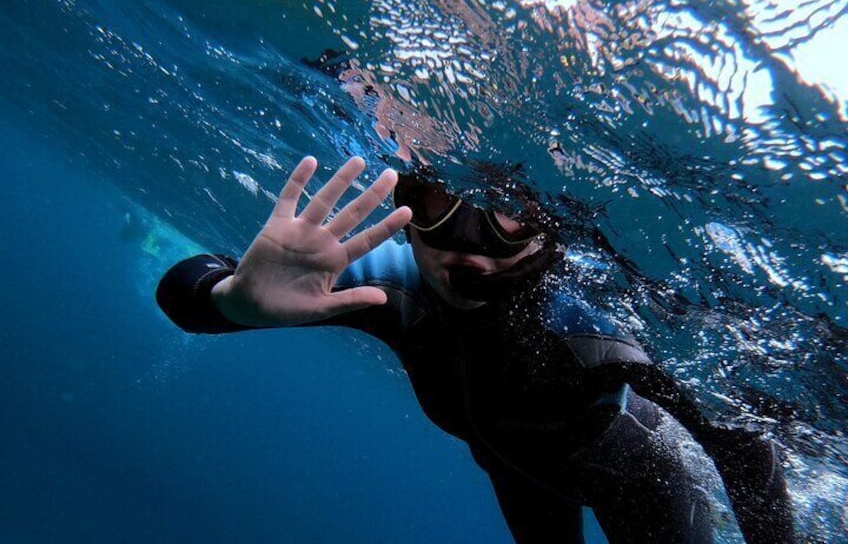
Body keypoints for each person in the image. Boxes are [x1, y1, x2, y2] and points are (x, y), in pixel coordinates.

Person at [156, 155, 796, 543]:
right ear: (406, 209)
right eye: (436, 207)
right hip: (519, 479)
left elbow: (743, 442)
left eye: (502, 214)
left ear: (547, 230)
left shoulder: (592, 325)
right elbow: (190, 291)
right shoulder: (389, 283)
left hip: (640, 482)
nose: (466, 248)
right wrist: (230, 300)